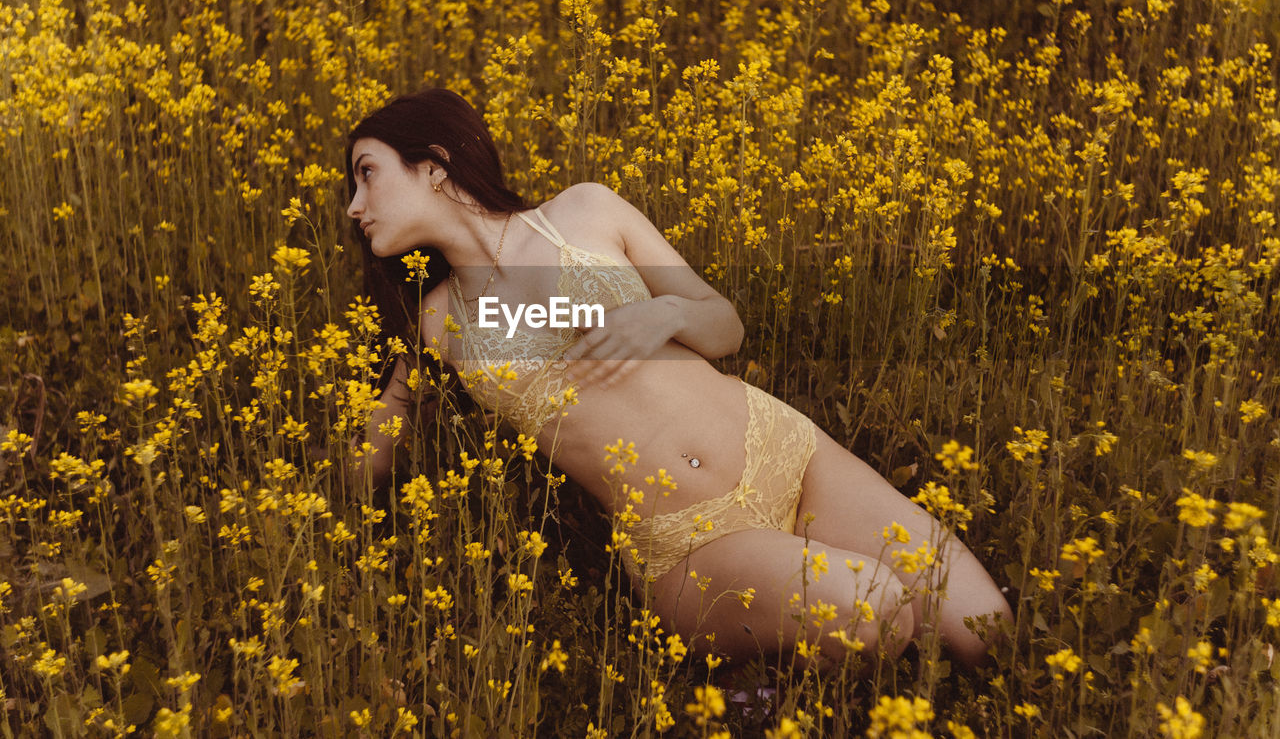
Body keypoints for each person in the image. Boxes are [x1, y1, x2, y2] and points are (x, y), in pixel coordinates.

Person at [343, 88, 1013, 671]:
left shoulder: (584, 210)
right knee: (880, 610)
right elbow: (369, 457)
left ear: (432, 164)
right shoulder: (437, 323)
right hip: (693, 545)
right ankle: (778, 690)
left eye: (366, 174)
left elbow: (724, 325)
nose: (354, 205)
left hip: (785, 450)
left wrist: (659, 314)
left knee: (991, 636)